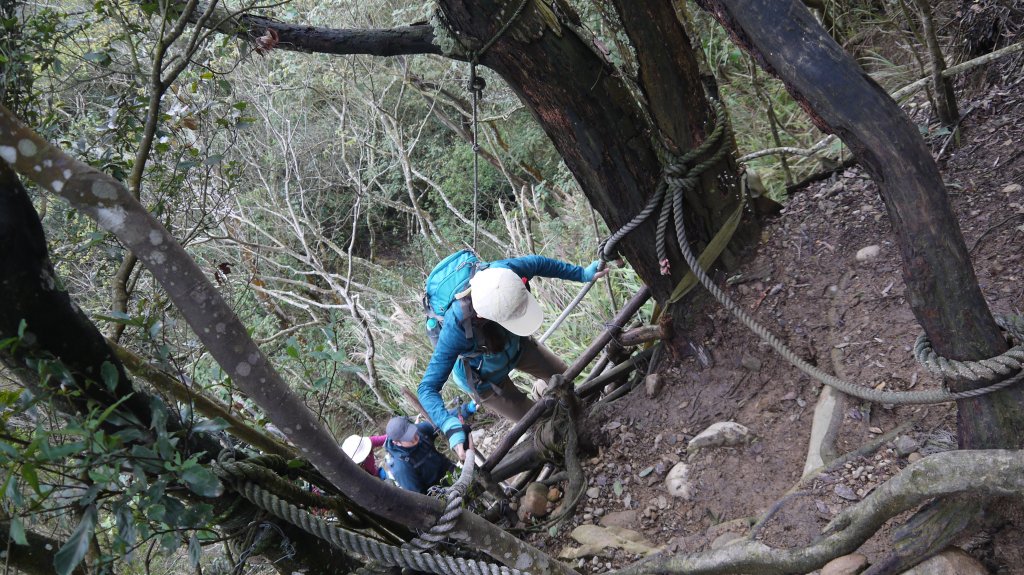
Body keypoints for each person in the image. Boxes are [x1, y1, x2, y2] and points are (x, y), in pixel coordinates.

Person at [417, 255, 609, 461]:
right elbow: (427, 388)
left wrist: (581, 274)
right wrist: (448, 424)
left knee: (564, 377)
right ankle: (570, 446)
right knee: (535, 420)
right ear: (482, 316)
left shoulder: (504, 273)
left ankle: (543, 393)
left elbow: (540, 264)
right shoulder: (455, 328)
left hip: (514, 344)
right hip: (483, 376)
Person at [384, 416, 456, 494]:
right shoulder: (401, 468)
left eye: (411, 431)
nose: (414, 436)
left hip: (449, 469)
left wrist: (468, 408)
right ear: (397, 443)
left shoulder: (419, 431)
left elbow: (440, 420)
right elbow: (419, 496)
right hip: (437, 491)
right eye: (408, 437)